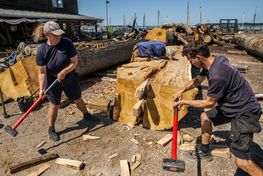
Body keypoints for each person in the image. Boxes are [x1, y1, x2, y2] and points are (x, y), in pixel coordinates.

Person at [173, 40, 263, 175]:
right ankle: (204, 151)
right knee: (205, 116)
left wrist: (183, 102)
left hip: (244, 112)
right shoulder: (216, 60)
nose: (190, 63)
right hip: (232, 105)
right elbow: (198, 80)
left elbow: (209, 103)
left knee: (242, 163)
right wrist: (182, 90)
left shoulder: (217, 75)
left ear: (198, 57)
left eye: (190, 60)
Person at [36, 21, 97, 141]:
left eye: (59, 34)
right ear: (47, 34)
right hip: (52, 81)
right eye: (56, 34)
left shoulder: (67, 43)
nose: (59, 36)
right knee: (54, 105)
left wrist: (64, 72)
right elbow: (42, 72)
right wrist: (42, 88)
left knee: (77, 98)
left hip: (69, 78)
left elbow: (74, 63)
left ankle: (86, 114)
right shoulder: (42, 50)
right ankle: (51, 128)